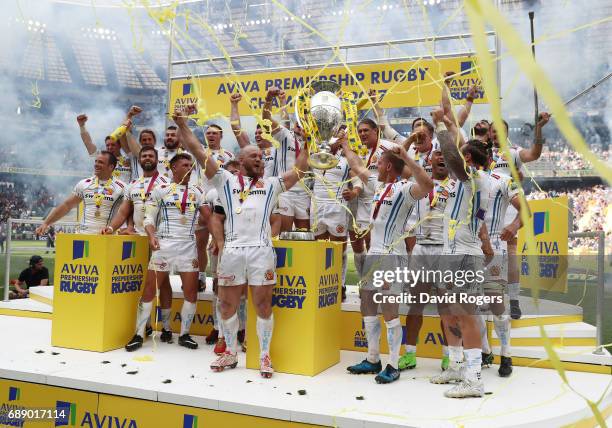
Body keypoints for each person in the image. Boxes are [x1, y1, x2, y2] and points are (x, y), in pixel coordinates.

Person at [176, 104, 310, 378]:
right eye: (254, 156)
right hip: (233, 251)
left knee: (262, 304)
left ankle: (263, 355)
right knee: (227, 304)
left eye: (261, 156)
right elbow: (198, 151)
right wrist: (181, 124)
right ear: (241, 159)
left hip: (261, 251)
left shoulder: (271, 184)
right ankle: (230, 352)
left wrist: (307, 142)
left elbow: (298, 171)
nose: (260, 159)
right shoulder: (224, 180)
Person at [344, 137, 433, 384]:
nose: (374, 165)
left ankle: (393, 364)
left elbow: (427, 184)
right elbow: (357, 167)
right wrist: (343, 145)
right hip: (374, 255)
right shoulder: (378, 186)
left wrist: (406, 156)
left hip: (392, 257)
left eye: (379, 162)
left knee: (390, 312)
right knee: (368, 306)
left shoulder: (405, 189)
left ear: (389, 167)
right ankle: (373, 358)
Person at [428, 108, 491, 398]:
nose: (450, 162)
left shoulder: (477, 179)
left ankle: (475, 379)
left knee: (466, 316)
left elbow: (451, 157)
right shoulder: (463, 182)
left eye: (460, 155)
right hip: (450, 253)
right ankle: (455, 366)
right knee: (450, 313)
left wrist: (440, 124)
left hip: (465, 255)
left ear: (467, 160)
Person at [125, 153, 208, 352]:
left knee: (191, 293)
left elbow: (209, 218)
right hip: (164, 246)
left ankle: (184, 334)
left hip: (188, 247)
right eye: (185, 165)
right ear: (173, 168)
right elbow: (148, 219)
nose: (189, 168)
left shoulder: (198, 192)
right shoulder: (159, 191)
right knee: (149, 290)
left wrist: (218, 239)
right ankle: (138, 334)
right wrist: (151, 235)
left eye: (191, 165)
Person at [489, 112, 550, 319]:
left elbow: (534, 154)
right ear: (489, 133)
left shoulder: (513, 152)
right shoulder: (481, 153)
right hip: (485, 206)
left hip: (510, 202)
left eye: (500, 130)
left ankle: (514, 300)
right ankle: (487, 295)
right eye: (493, 130)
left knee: (511, 249)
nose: (497, 134)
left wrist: (539, 129)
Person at [397, 142, 451, 372]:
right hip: (420, 249)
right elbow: (401, 164)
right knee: (415, 306)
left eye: (446, 156)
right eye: (437, 154)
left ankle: (449, 355)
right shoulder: (420, 182)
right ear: (430, 159)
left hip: (445, 251)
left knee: (445, 308)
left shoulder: (460, 185)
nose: (441, 158)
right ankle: (409, 353)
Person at [479, 166, 525, 378]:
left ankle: (506, 354)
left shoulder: (503, 180)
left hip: (495, 248)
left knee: (496, 304)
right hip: (469, 247)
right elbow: (475, 214)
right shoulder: (468, 181)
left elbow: (526, 209)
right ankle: (486, 351)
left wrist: (514, 226)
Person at [309, 127, 360, 300]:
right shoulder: (314, 154)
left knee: (339, 251)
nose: (333, 137)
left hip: (337, 206)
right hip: (317, 206)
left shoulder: (345, 160)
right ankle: (321, 284)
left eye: (337, 135)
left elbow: (357, 177)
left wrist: (354, 192)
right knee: (319, 249)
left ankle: (340, 285)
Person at [349, 118, 397, 279]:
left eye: (366, 130)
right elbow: (354, 172)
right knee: (364, 242)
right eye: (360, 131)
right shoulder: (357, 149)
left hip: (384, 200)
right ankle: (366, 280)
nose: (362, 134)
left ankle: (382, 281)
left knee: (378, 244)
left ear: (376, 130)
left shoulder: (388, 147)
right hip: (363, 201)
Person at [35, 151, 125, 236]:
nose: (96, 165)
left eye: (101, 162)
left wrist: (113, 228)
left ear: (111, 167)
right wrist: (46, 223)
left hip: (105, 237)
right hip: (82, 235)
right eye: (96, 161)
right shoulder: (84, 183)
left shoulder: (121, 187)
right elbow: (67, 205)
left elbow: (125, 213)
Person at [264, 88, 311, 234]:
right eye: (300, 122)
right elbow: (267, 120)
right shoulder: (285, 135)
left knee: (304, 236)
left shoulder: (314, 143)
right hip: (285, 192)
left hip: (305, 194)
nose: (302, 125)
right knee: (284, 234)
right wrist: (269, 99)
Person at [77, 114, 132, 184]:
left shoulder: (128, 160)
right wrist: (82, 126)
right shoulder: (100, 157)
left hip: (123, 193)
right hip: (101, 193)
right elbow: (88, 143)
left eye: (113, 145)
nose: (110, 147)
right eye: (107, 145)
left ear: (120, 146)